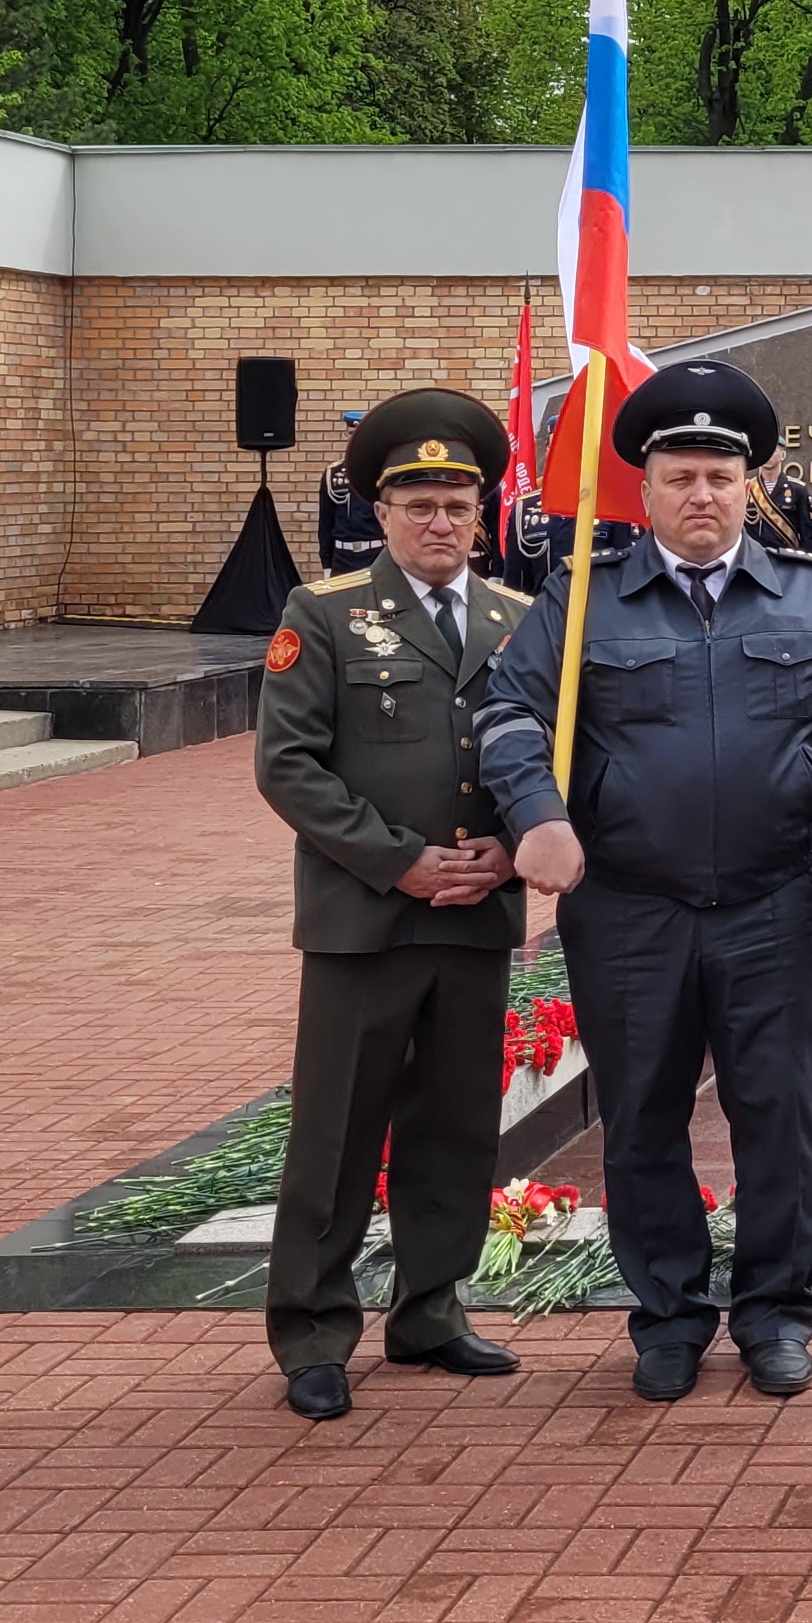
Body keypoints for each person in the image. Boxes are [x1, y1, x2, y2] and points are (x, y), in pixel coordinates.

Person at [482, 357, 812, 1402]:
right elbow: (507, 716)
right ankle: (667, 1316)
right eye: (680, 477)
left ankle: (776, 1315)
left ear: (751, 484)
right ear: (643, 491)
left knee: (778, 1115)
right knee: (644, 1115)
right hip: (628, 910)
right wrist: (538, 814)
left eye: (720, 477)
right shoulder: (579, 602)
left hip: (770, 904)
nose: (702, 495)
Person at [248, 392, 534, 1423]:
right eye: (419, 503)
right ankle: (316, 1328)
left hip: (473, 915)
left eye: (459, 501)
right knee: (337, 1127)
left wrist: (512, 848)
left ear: (483, 509)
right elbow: (289, 767)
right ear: (382, 511)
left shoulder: (516, 620)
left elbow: (545, 755)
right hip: (366, 919)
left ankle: (431, 1307)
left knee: (457, 1125)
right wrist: (399, 862)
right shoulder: (322, 615)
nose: (441, 522)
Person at [315, 415, 386, 576]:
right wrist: (326, 564)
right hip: (343, 558)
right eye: (351, 433)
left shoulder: (382, 472)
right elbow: (325, 522)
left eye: (359, 434)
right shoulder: (333, 473)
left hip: (377, 555)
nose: (354, 439)